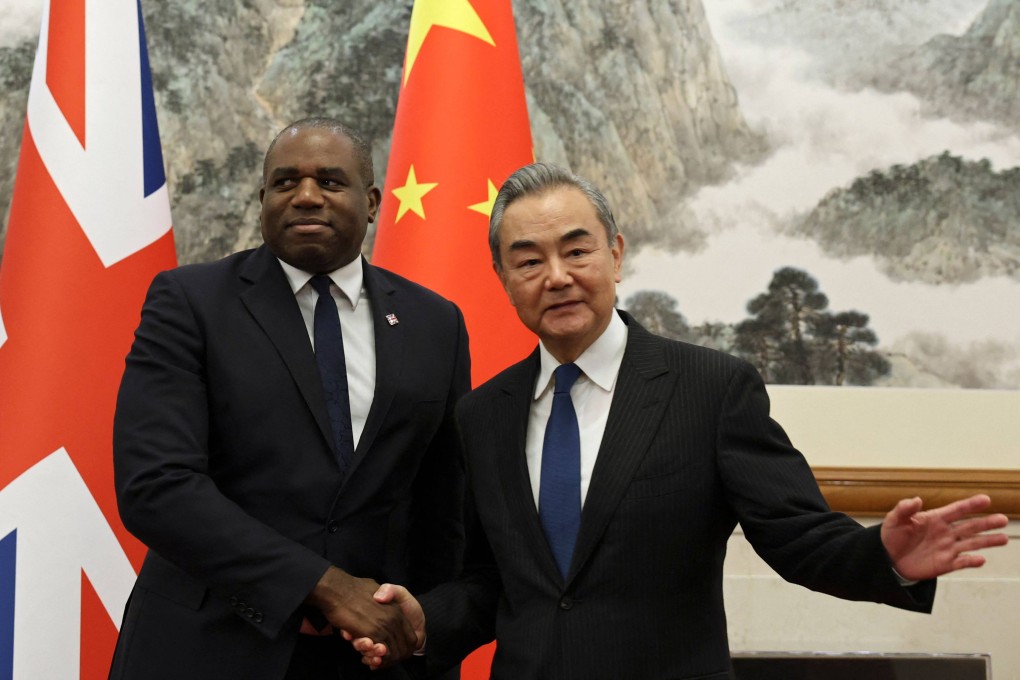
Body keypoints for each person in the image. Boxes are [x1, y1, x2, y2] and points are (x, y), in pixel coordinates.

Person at [352, 162, 1009, 679]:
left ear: (615, 253)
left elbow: (795, 535)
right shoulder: (482, 414)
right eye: (528, 260)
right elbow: (491, 583)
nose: (556, 277)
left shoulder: (710, 389)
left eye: (576, 252)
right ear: (502, 277)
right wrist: (423, 620)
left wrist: (885, 557)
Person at [109, 118, 470, 680]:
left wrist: (419, 635)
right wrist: (324, 587)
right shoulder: (190, 303)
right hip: (211, 649)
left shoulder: (435, 323)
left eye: (329, 181)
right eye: (284, 183)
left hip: (371, 659)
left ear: (371, 201)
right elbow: (156, 486)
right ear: (262, 200)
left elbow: (443, 510)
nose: (305, 196)